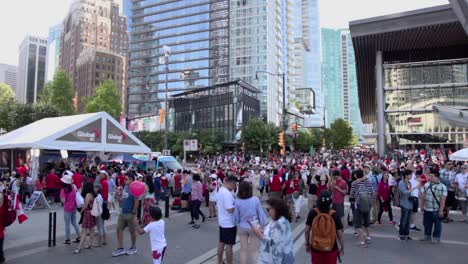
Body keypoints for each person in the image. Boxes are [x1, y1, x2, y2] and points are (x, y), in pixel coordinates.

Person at [305, 190, 345, 264]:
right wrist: (342, 247)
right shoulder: (334, 214)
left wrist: (307, 244)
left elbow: (307, 230)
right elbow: (340, 234)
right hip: (331, 248)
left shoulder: (313, 212)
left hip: (316, 247)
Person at [252, 197, 295, 263]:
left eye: (268, 209)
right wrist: (263, 232)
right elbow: (274, 235)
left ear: (276, 209)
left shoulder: (279, 224)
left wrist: (260, 235)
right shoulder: (277, 220)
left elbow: (275, 245)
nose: (268, 212)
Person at [234, 181, 267, 264]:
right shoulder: (255, 199)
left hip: (242, 226)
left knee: (243, 250)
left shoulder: (237, 201)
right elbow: (261, 214)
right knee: (254, 250)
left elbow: (236, 217)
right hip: (254, 226)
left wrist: (238, 223)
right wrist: (262, 225)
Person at [112, 173, 139, 257]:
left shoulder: (135, 188)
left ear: (131, 179)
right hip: (123, 212)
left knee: (132, 231)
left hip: (130, 213)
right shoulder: (125, 186)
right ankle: (120, 248)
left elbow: (136, 200)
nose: (125, 180)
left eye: (126, 179)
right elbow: (124, 197)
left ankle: (133, 247)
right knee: (119, 229)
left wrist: (134, 212)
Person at [421, 169, 448, 243]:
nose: (430, 177)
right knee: (426, 224)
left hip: (436, 209)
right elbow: (423, 196)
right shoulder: (427, 184)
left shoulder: (442, 187)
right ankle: (427, 236)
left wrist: (441, 210)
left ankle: (436, 237)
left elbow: (443, 200)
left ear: (437, 177)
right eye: (430, 176)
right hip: (427, 208)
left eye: (432, 176)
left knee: (437, 225)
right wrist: (422, 206)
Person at [217, 176, 237, 264]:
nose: (235, 187)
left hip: (222, 221)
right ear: (231, 183)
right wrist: (237, 206)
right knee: (229, 245)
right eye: (234, 185)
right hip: (229, 223)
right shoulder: (227, 194)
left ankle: (219, 261)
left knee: (221, 242)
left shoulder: (221, 189)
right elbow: (230, 209)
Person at [350, 169, 372, 247]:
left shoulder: (354, 183)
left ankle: (362, 242)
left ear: (356, 175)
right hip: (367, 204)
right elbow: (371, 192)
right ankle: (368, 238)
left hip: (358, 205)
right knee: (367, 222)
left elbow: (352, 194)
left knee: (358, 224)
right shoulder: (368, 182)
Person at [74, 182, 96, 254]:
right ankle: (91, 244)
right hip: (92, 213)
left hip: (87, 213)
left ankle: (79, 247)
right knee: (91, 229)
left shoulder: (87, 195)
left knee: (84, 230)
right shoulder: (92, 194)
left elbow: (85, 205)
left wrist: (81, 211)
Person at [60, 171, 81, 245]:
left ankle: (68, 239)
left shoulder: (63, 190)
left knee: (67, 224)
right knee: (74, 222)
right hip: (74, 207)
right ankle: (79, 236)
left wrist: (62, 199)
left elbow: (63, 201)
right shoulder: (73, 187)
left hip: (67, 209)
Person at [398, 170, 418, 240]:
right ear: (406, 175)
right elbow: (404, 192)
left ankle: (406, 234)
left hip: (410, 203)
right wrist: (414, 188)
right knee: (403, 220)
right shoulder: (401, 183)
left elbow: (409, 192)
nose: (411, 176)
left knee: (408, 220)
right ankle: (401, 235)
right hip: (404, 203)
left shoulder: (409, 182)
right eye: (410, 175)